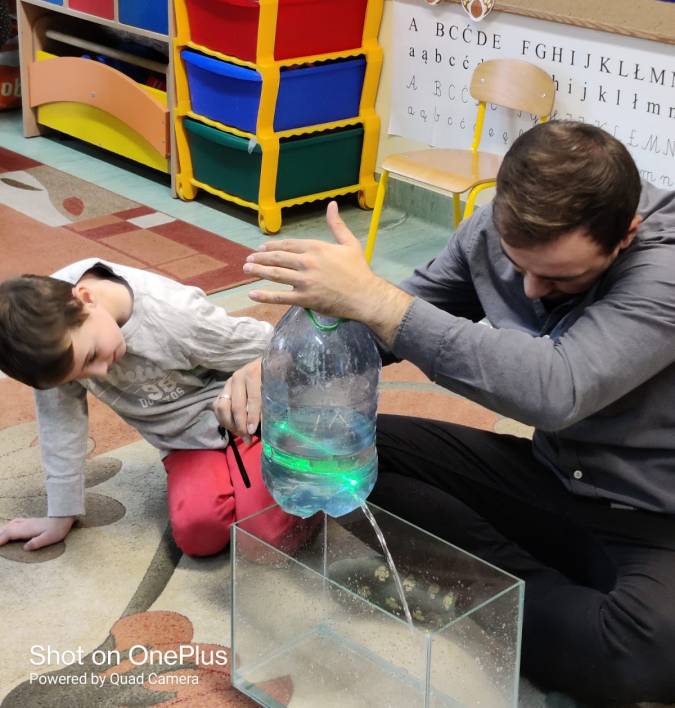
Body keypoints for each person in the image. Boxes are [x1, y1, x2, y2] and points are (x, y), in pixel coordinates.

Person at [217, 121, 675, 706]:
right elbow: (399, 321)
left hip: (654, 512)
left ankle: (516, 594)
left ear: (626, 234)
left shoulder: (664, 268)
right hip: (553, 476)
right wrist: (279, 370)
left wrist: (375, 298)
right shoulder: (491, 228)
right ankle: (522, 595)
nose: (531, 290)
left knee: (644, 655)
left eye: (561, 277)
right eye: (518, 266)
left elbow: (555, 390)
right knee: (336, 453)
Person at [0, 258, 299, 557]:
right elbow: (59, 423)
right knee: (199, 535)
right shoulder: (48, 346)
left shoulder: (173, 315)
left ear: (86, 298)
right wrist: (60, 515)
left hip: (247, 416)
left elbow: (279, 350)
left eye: (92, 356)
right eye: (80, 375)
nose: (100, 373)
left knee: (268, 539)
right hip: (184, 439)